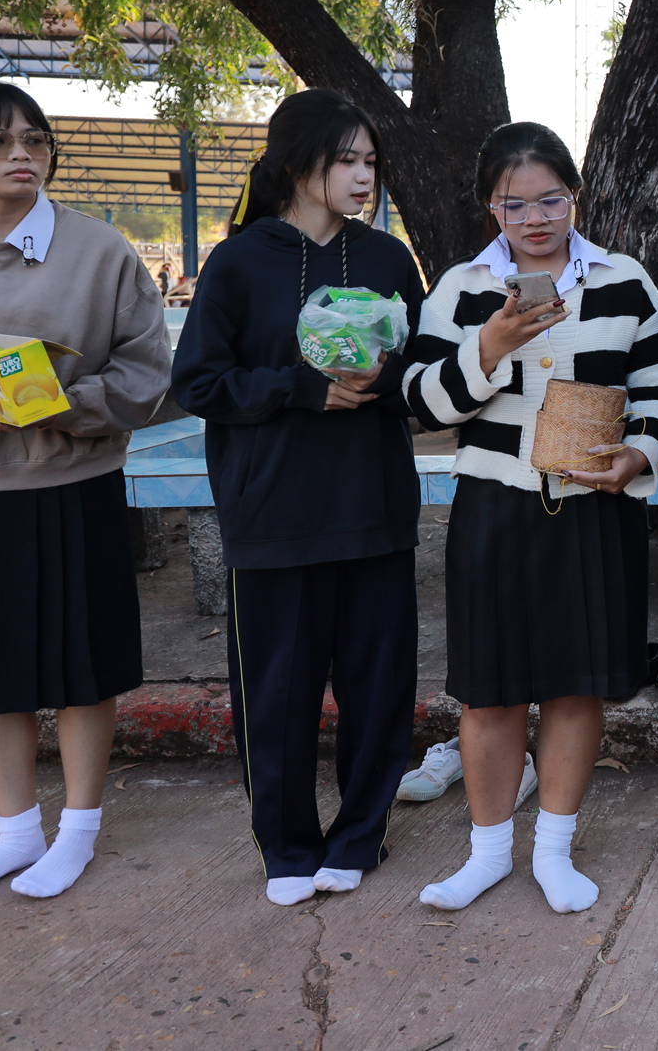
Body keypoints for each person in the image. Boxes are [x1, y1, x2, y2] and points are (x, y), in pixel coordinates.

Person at [403, 122, 658, 914]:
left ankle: (554, 851)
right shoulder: (463, 287)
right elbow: (421, 400)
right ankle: (487, 853)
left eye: (551, 200)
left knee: (574, 689)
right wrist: (487, 347)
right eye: (514, 204)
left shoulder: (625, 279)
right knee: (489, 692)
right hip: (494, 507)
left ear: (575, 197)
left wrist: (638, 453)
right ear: (490, 207)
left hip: (595, 510)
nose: (534, 218)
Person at [171, 88, 427, 906]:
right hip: (274, 512)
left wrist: (380, 380)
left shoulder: (388, 261)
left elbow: (420, 378)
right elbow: (199, 381)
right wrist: (300, 388)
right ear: (295, 163)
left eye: (371, 161)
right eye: (346, 159)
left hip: (374, 505)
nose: (364, 176)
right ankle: (285, 845)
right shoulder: (239, 262)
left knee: (378, 688)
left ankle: (358, 835)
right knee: (277, 691)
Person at [0, 81, 170, 901]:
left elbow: (147, 372)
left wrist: (59, 403)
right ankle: (16, 830)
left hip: (75, 482)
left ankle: (78, 828)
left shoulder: (98, 249)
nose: (22, 153)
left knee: (85, 661)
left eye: (36, 139)